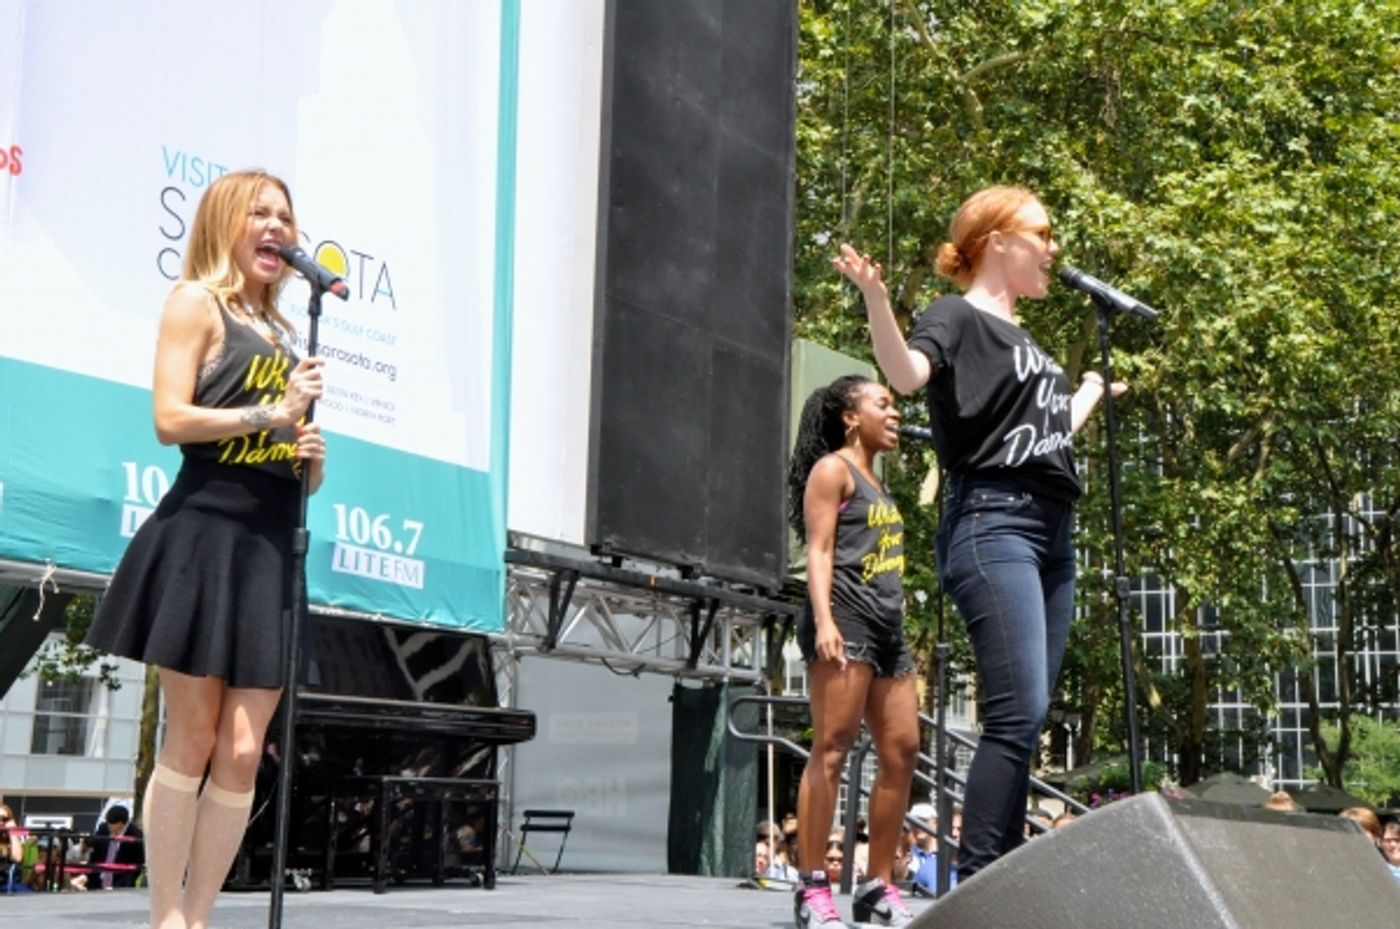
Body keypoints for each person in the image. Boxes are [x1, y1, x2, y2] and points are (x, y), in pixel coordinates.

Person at [834, 185, 1124, 881]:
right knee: (1015, 711)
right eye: (1042, 234)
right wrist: (876, 299)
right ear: (998, 241)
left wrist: (1087, 390)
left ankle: (998, 879)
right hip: (994, 523)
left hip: (1052, 529)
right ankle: (980, 883)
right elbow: (904, 375)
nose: (1052, 250)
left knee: (1029, 714)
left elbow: (1044, 436)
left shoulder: (1030, 342)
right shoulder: (955, 315)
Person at [84, 169, 326, 929]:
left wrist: (309, 452)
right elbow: (168, 416)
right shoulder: (197, 302)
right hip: (203, 535)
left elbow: (294, 462)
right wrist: (269, 410)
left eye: (284, 216)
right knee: (191, 733)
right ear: (225, 221)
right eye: (259, 212)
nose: (276, 228)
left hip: (269, 549)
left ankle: (201, 912)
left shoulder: (290, 334)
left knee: (247, 748)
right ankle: (167, 919)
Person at [788, 375, 919, 928]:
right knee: (833, 750)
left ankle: (876, 886)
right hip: (845, 619)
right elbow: (817, 551)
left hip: (889, 630)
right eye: (882, 405)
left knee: (903, 753)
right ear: (850, 416)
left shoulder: (879, 484)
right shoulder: (832, 470)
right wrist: (823, 622)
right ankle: (812, 887)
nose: (893, 415)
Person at [89, 804, 145, 889]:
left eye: (116, 829)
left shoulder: (137, 837)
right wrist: (86, 876)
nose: (112, 830)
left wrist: (116, 887)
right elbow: (95, 857)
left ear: (125, 823)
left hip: (121, 885)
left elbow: (134, 869)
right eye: (109, 827)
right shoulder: (103, 829)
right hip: (97, 880)